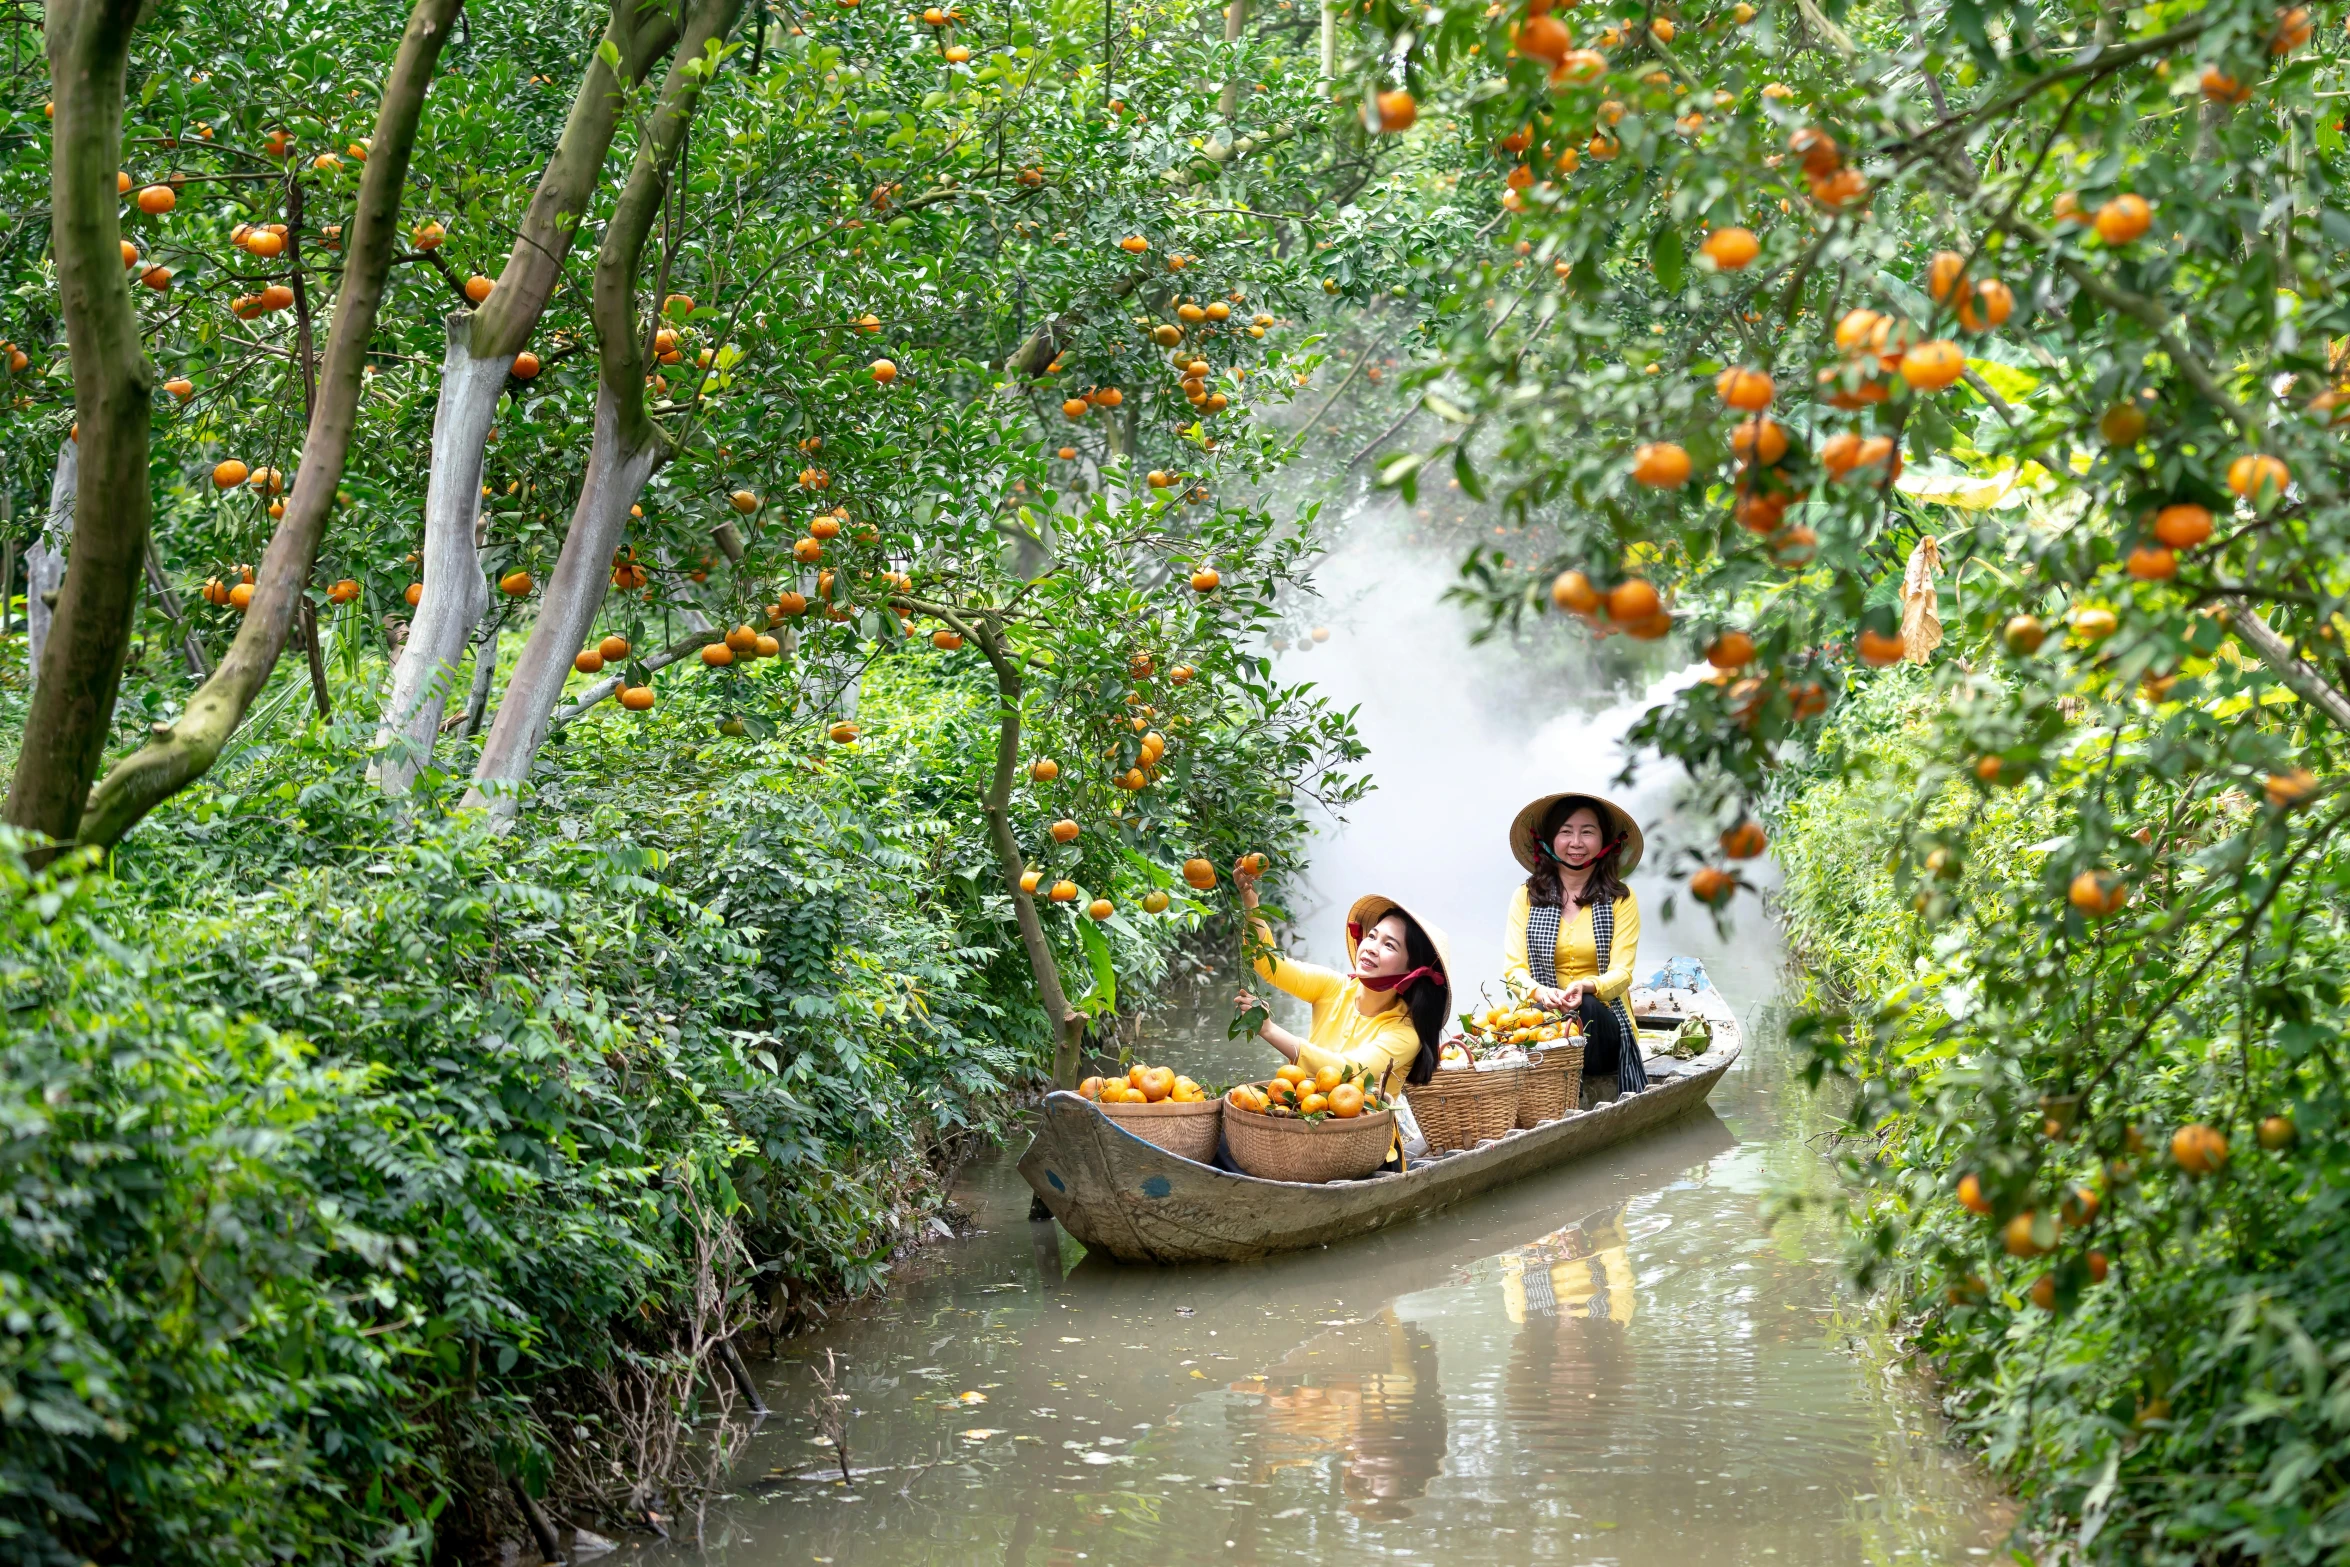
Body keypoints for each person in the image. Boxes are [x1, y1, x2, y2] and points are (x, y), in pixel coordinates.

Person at [1232, 861, 1450, 1106]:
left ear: (1413, 969)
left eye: (1389, 945)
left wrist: (1269, 1030)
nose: (1371, 949)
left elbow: (1346, 1070)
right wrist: (1251, 903)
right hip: (1302, 1116)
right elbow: (1270, 965)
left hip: (1362, 1140)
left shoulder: (1405, 1033)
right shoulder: (1333, 987)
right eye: (1372, 936)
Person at [1501, 792, 1649, 1103]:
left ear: (1605, 841)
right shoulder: (1525, 897)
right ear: (1549, 841)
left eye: (1587, 832)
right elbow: (1514, 971)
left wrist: (1588, 986)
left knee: (1587, 1007)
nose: (1576, 842)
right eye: (1565, 832)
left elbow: (1623, 972)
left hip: (1604, 1026)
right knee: (1531, 1019)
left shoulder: (1621, 898)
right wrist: (1541, 993)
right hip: (1544, 1018)